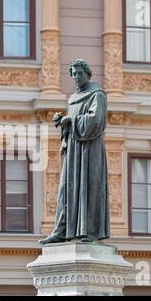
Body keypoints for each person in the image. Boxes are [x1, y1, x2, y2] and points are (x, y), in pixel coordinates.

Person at [39, 59, 110, 245]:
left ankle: (89, 231)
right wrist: (62, 121)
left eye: (80, 73)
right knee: (67, 189)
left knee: (87, 187)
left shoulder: (97, 95)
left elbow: (95, 122)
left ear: (87, 74)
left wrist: (70, 121)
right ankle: (62, 231)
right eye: (74, 74)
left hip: (89, 151)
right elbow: (72, 122)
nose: (77, 77)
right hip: (73, 150)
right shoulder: (73, 98)